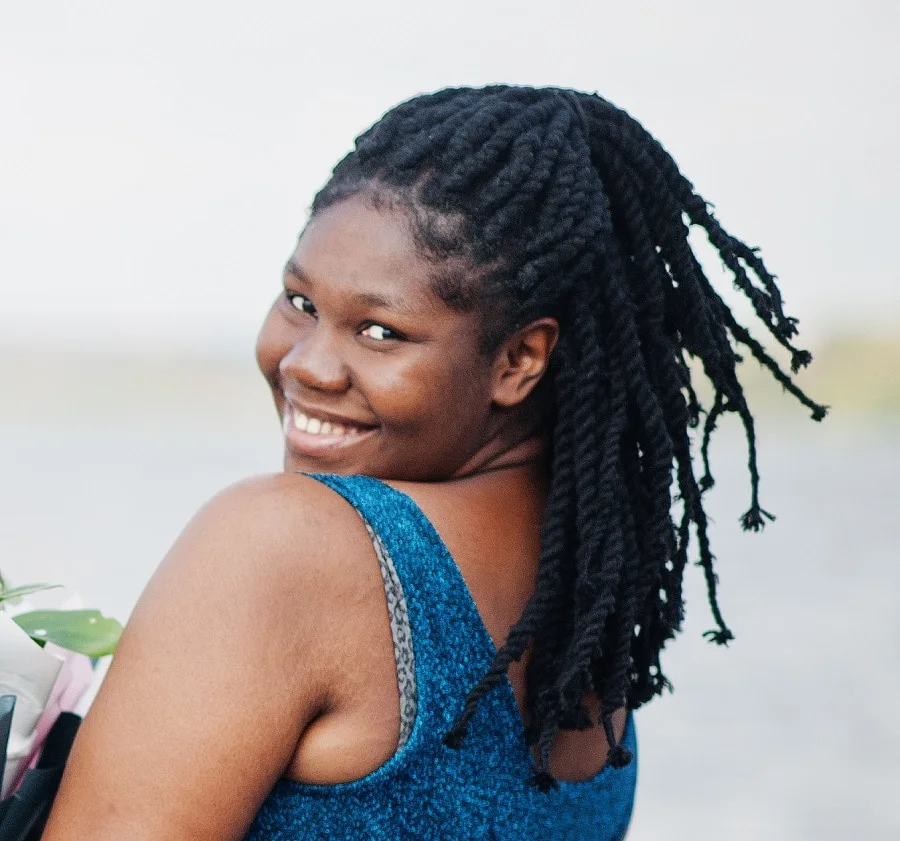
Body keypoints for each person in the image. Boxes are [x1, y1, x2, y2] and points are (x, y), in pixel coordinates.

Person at [40, 85, 825, 841]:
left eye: (379, 332)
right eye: (301, 303)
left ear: (521, 358)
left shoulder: (283, 545)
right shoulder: (587, 631)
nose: (308, 365)